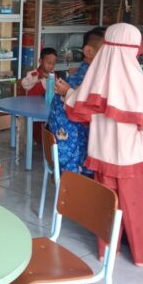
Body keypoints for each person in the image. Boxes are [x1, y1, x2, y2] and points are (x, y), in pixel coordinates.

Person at [65, 23, 143, 266]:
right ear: (135, 47)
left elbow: (74, 102)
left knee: (107, 207)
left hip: (101, 156)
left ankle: (107, 250)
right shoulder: (137, 83)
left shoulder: (95, 77)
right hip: (133, 159)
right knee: (141, 209)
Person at [48, 27, 105, 175]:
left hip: (69, 167)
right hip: (78, 171)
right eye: (106, 50)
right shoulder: (88, 83)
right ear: (88, 51)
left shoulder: (85, 78)